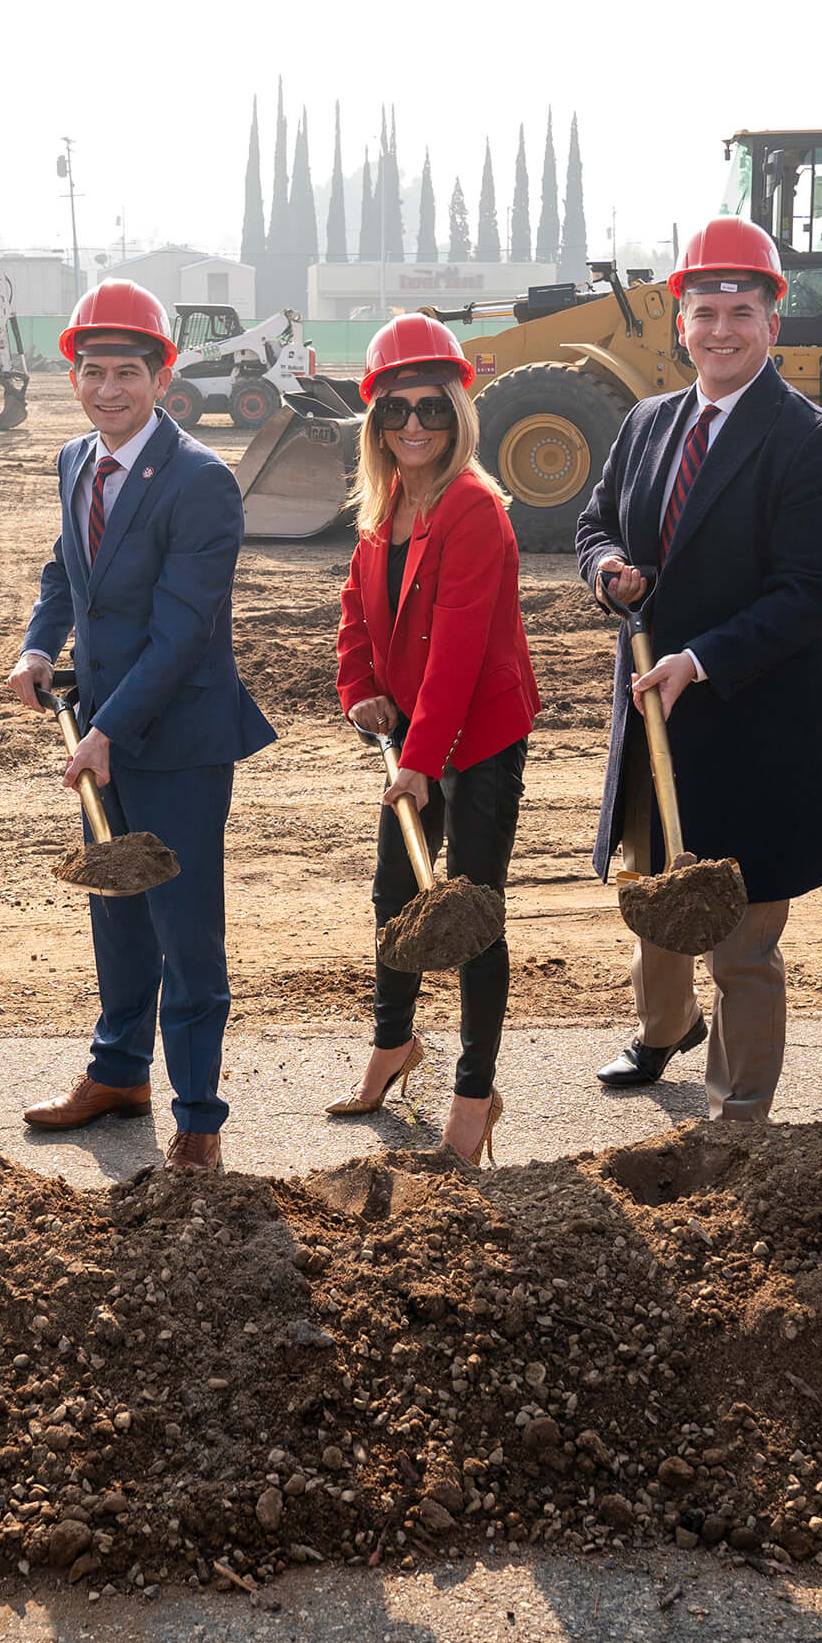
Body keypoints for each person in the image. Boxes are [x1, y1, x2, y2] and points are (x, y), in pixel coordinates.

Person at [574, 216, 822, 1120]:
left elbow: (808, 589)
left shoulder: (813, 438)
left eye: (743, 310)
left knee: (740, 939)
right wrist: (607, 570)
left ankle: (739, 1115)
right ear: (679, 323)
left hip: (749, 721)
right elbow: (595, 522)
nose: (722, 329)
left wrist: (700, 660)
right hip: (657, 717)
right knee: (657, 898)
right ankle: (664, 1031)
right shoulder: (648, 422)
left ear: (775, 322)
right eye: (706, 311)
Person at [8, 280, 275, 1172]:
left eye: (128, 371)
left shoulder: (200, 481)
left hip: (179, 740)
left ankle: (198, 1116)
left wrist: (109, 729)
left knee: (184, 927)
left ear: (163, 376)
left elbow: (183, 629)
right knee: (116, 910)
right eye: (93, 371)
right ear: (74, 377)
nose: (108, 389)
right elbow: (65, 568)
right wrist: (40, 646)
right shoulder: (75, 460)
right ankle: (118, 1074)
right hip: (102, 728)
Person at [328, 313, 541, 1163]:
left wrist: (420, 764)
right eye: (396, 411)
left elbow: (457, 649)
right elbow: (355, 615)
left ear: (459, 414)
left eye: (432, 409)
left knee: (472, 911)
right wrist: (362, 691)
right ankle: (393, 1045)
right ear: (375, 423)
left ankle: (473, 1095)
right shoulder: (385, 509)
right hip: (415, 729)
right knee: (397, 900)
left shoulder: (474, 509)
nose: (414, 425)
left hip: (480, 730)